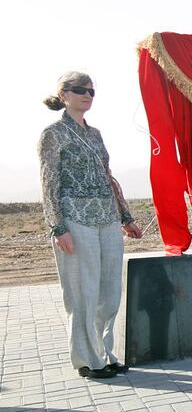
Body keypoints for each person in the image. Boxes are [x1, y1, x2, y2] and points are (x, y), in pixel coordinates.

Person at [38, 72, 143, 378]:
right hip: (75, 219)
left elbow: (107, 177)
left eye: (91, 91)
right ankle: (87, 360)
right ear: (63, 95)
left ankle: (106, 353)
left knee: (109, 291)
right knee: (83, 293)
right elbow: (49, 183)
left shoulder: (95, 133)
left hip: (107, 218)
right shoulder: (53, 134)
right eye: (79, 90)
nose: (87, 95)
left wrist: (126, 217)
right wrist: (58, 227)